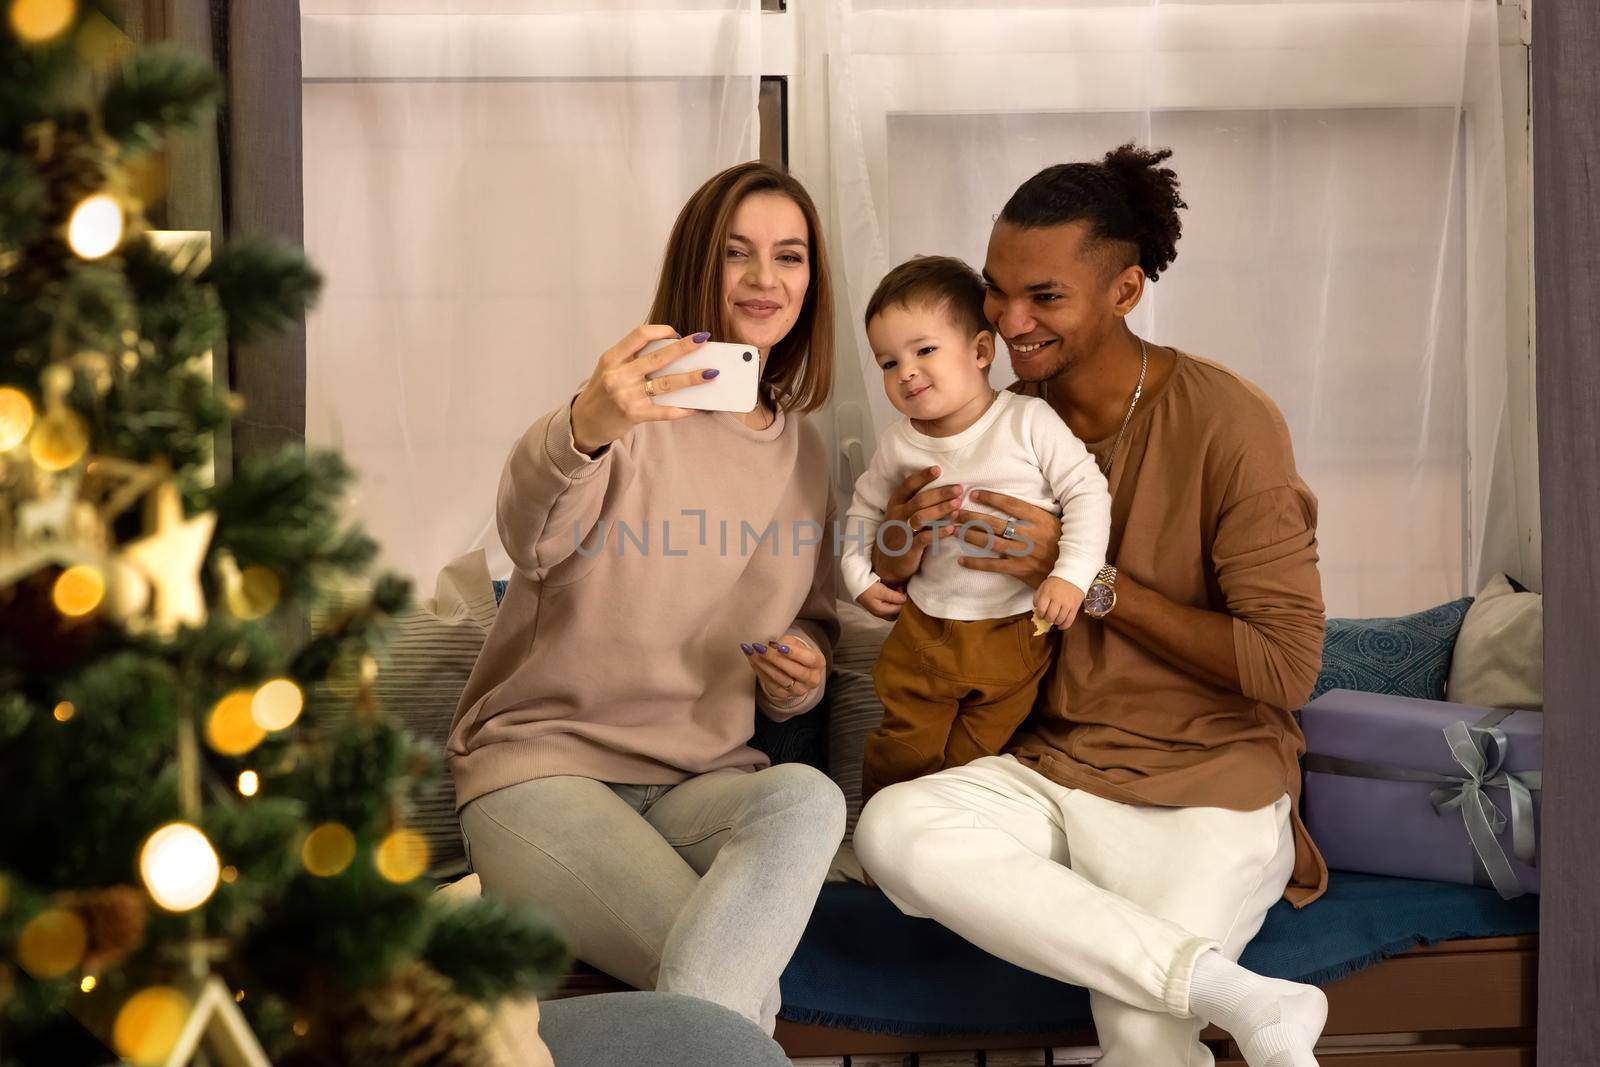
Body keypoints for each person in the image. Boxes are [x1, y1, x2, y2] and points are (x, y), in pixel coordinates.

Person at [853, 145, 1331, 1067]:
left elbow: (1287, 667)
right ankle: (1248, 997)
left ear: (1124, 291)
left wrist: (1087, 578)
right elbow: (910, 586)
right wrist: (896, 542)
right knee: (893, 827)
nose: (1007, 319)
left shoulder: (1231, 426)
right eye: (995, 291)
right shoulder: (981, 416)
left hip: (1205, 785)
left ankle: (1209, 996)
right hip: (1051, 767)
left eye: (1045, 296)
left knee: (1144, 1032)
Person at [446, 161, 846, 1034]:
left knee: (809, 797)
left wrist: (802, 676)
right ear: (701, 266)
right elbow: (530, 532)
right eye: (738, 253)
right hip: (544, 772)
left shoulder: (812, 455)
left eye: (789, 256)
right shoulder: (624, 414)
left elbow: (812, 618)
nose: (764, 279)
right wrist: (587, 420)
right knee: (729, 976)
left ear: (812, 280)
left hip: (696, 785)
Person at [840, 255, 1110, 801]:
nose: (906, 372)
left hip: (1012, 629)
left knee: (974, 762)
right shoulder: (899, 443)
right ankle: (881, 843)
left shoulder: (1027, 422)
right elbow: (863, 513)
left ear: (981, 351)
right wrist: (859, 577)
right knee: (903, 750)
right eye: (888, 363)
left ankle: (943, 843)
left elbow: (1087, 492)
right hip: (926, 631)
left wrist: (1072, 575)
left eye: (924, 350)